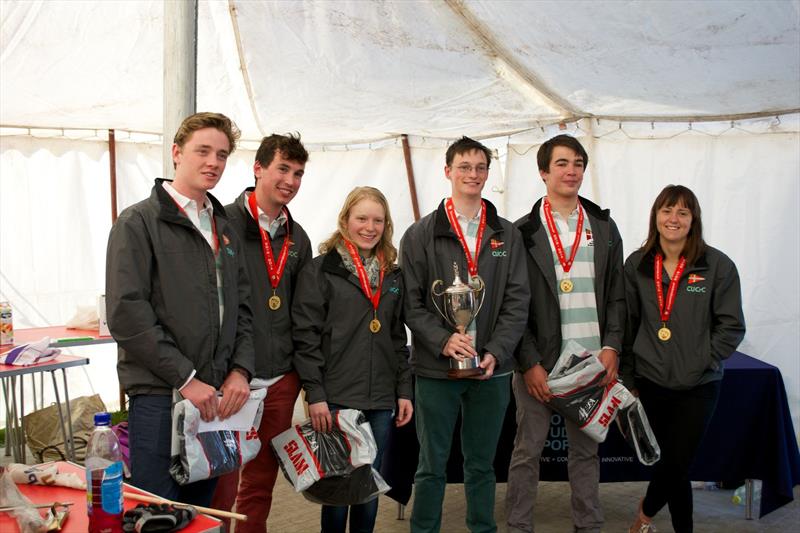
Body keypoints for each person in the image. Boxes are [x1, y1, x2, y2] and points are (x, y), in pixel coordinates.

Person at [106, 112, 255, 506]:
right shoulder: (138, 221)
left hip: (214, 398)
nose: (213, 162)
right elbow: (126, 312)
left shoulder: (224, 228)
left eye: (222, 155)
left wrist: (241, 370)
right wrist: (186, 378)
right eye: (202, 151)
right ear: (176, 152)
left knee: (199, 511)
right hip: (161, 396)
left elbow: (242, 308)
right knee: (158, 512)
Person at [400, 136, 529, 533]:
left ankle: (482, 528)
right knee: (431, 465)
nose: (472, 175)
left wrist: (496, 350)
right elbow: (411, 302)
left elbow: (517, 300)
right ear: (448, 172)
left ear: (487, 174)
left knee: (482, 465)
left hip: (492, 370)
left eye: (479, 168)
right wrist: (443, 340)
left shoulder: (507, 234)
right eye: (464, 167)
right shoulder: (420, 234)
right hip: (436, 369)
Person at [505, 134, 625, 533]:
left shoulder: (605, 228)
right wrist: (529, 363)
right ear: (543, 172)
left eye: (577, 163)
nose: (571, 170)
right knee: (527, 451)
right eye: (561, 163)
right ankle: (519, 524)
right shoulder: (521, 232)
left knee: (586, 453)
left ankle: (588, 524)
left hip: (591, 361)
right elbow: (514, 306)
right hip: (541, 362)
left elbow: (617, 298)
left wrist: (611, 347)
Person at [622, 185, 745, 533]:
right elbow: (627, 326)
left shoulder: (716, 266)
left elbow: (731, 325)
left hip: (699, 383)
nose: (673, 219)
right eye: (666, 210)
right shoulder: (638, 265)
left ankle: (643, 517)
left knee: (677, 460)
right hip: (651, 381)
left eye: (682, 212)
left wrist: (704, 358)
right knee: (672, 466)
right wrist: (629, 380)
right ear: (655, 216)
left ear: (693, 220)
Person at [292, 186, 413, 533]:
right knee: (337, 487)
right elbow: (306, 337)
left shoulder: (393, 274)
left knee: (367, 485)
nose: (369, 227)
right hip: (336, 398)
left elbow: (395, 337)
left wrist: (403, 390)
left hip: (380, 399)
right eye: (362, 218)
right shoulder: (320, 271)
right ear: (345, 220)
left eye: (378, 220)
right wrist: (315, 394)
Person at [210, 134, 311, 532]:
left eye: (298, 173)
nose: (290, 180)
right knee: (221, 479)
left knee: (260, 480)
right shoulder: (224, 224)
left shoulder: (297, 237)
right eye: (282, 169)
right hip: (231, 377)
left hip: (280, 378)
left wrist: (301, 376)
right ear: (258, 168)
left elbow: (303, 314)